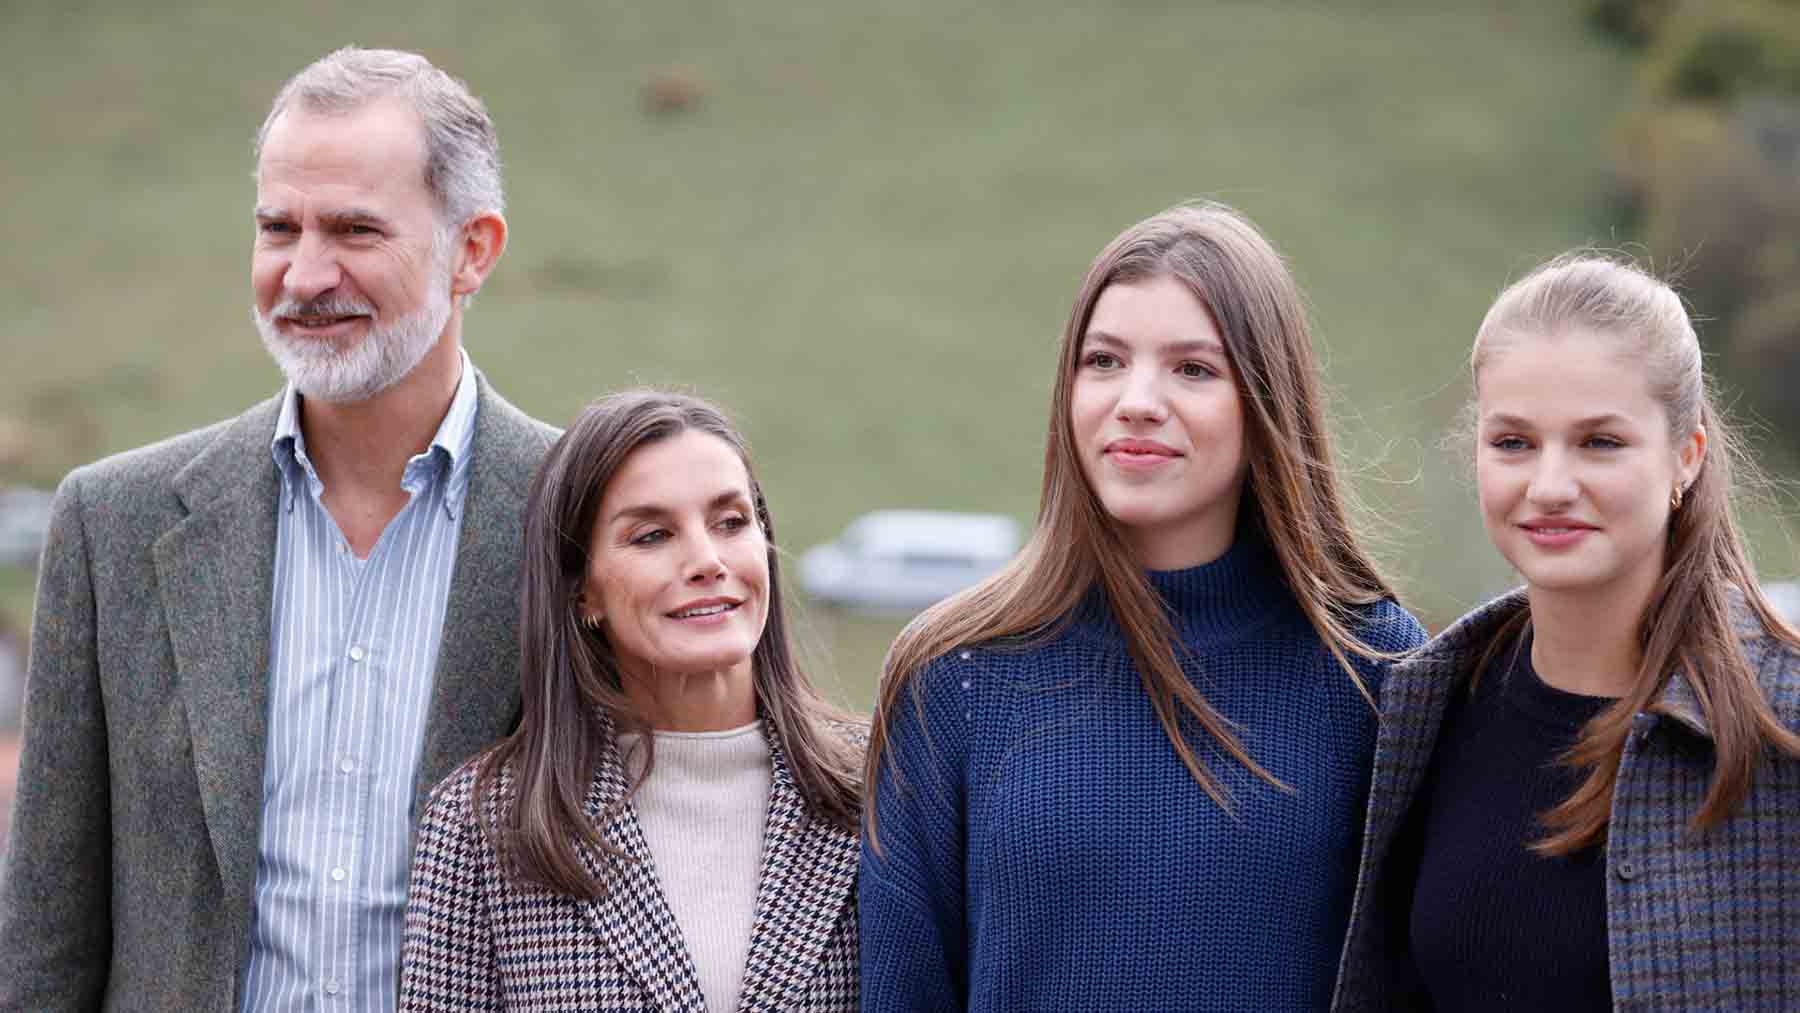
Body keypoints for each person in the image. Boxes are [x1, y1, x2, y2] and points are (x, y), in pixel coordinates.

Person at [0, 47, 558, 1010]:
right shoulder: (113, 527)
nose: (304, 273)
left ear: (473, 250)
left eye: (353, 229)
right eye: (277, 228)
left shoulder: (583, 514)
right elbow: (47, 938)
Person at [858, 203, 1427, 1012]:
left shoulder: (1372, 666)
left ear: (1266, 399)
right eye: (1105, 361)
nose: (1137, 400)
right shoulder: (954, 675)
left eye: (1193, 369)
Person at [1332, 254, 1800, 1011]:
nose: (1549, 486)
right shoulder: (1424, 705)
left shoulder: (1781, 721)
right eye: (1513, 442)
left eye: (1599, 442)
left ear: (1686, 456)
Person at [401, 390, 865, 1012]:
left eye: (731, 523)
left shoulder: (884, 785)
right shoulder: (484, 824)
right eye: (652, 536)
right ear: (582, 592)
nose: (707, 560)